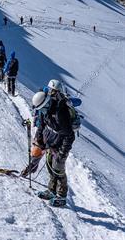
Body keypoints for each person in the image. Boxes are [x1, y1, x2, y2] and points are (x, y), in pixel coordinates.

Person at [35, 79, 76, 207]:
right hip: (50, 142)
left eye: (42, 108)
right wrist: (40, 141)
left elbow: (69, 136)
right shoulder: (44, 110)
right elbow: (41, 126)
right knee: (50, 166)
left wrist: (62, 153)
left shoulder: (60, 113)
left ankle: (62, 196)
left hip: (60, 144)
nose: (41, 111)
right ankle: (51, 190)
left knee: (58, 169)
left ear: (46, 103)